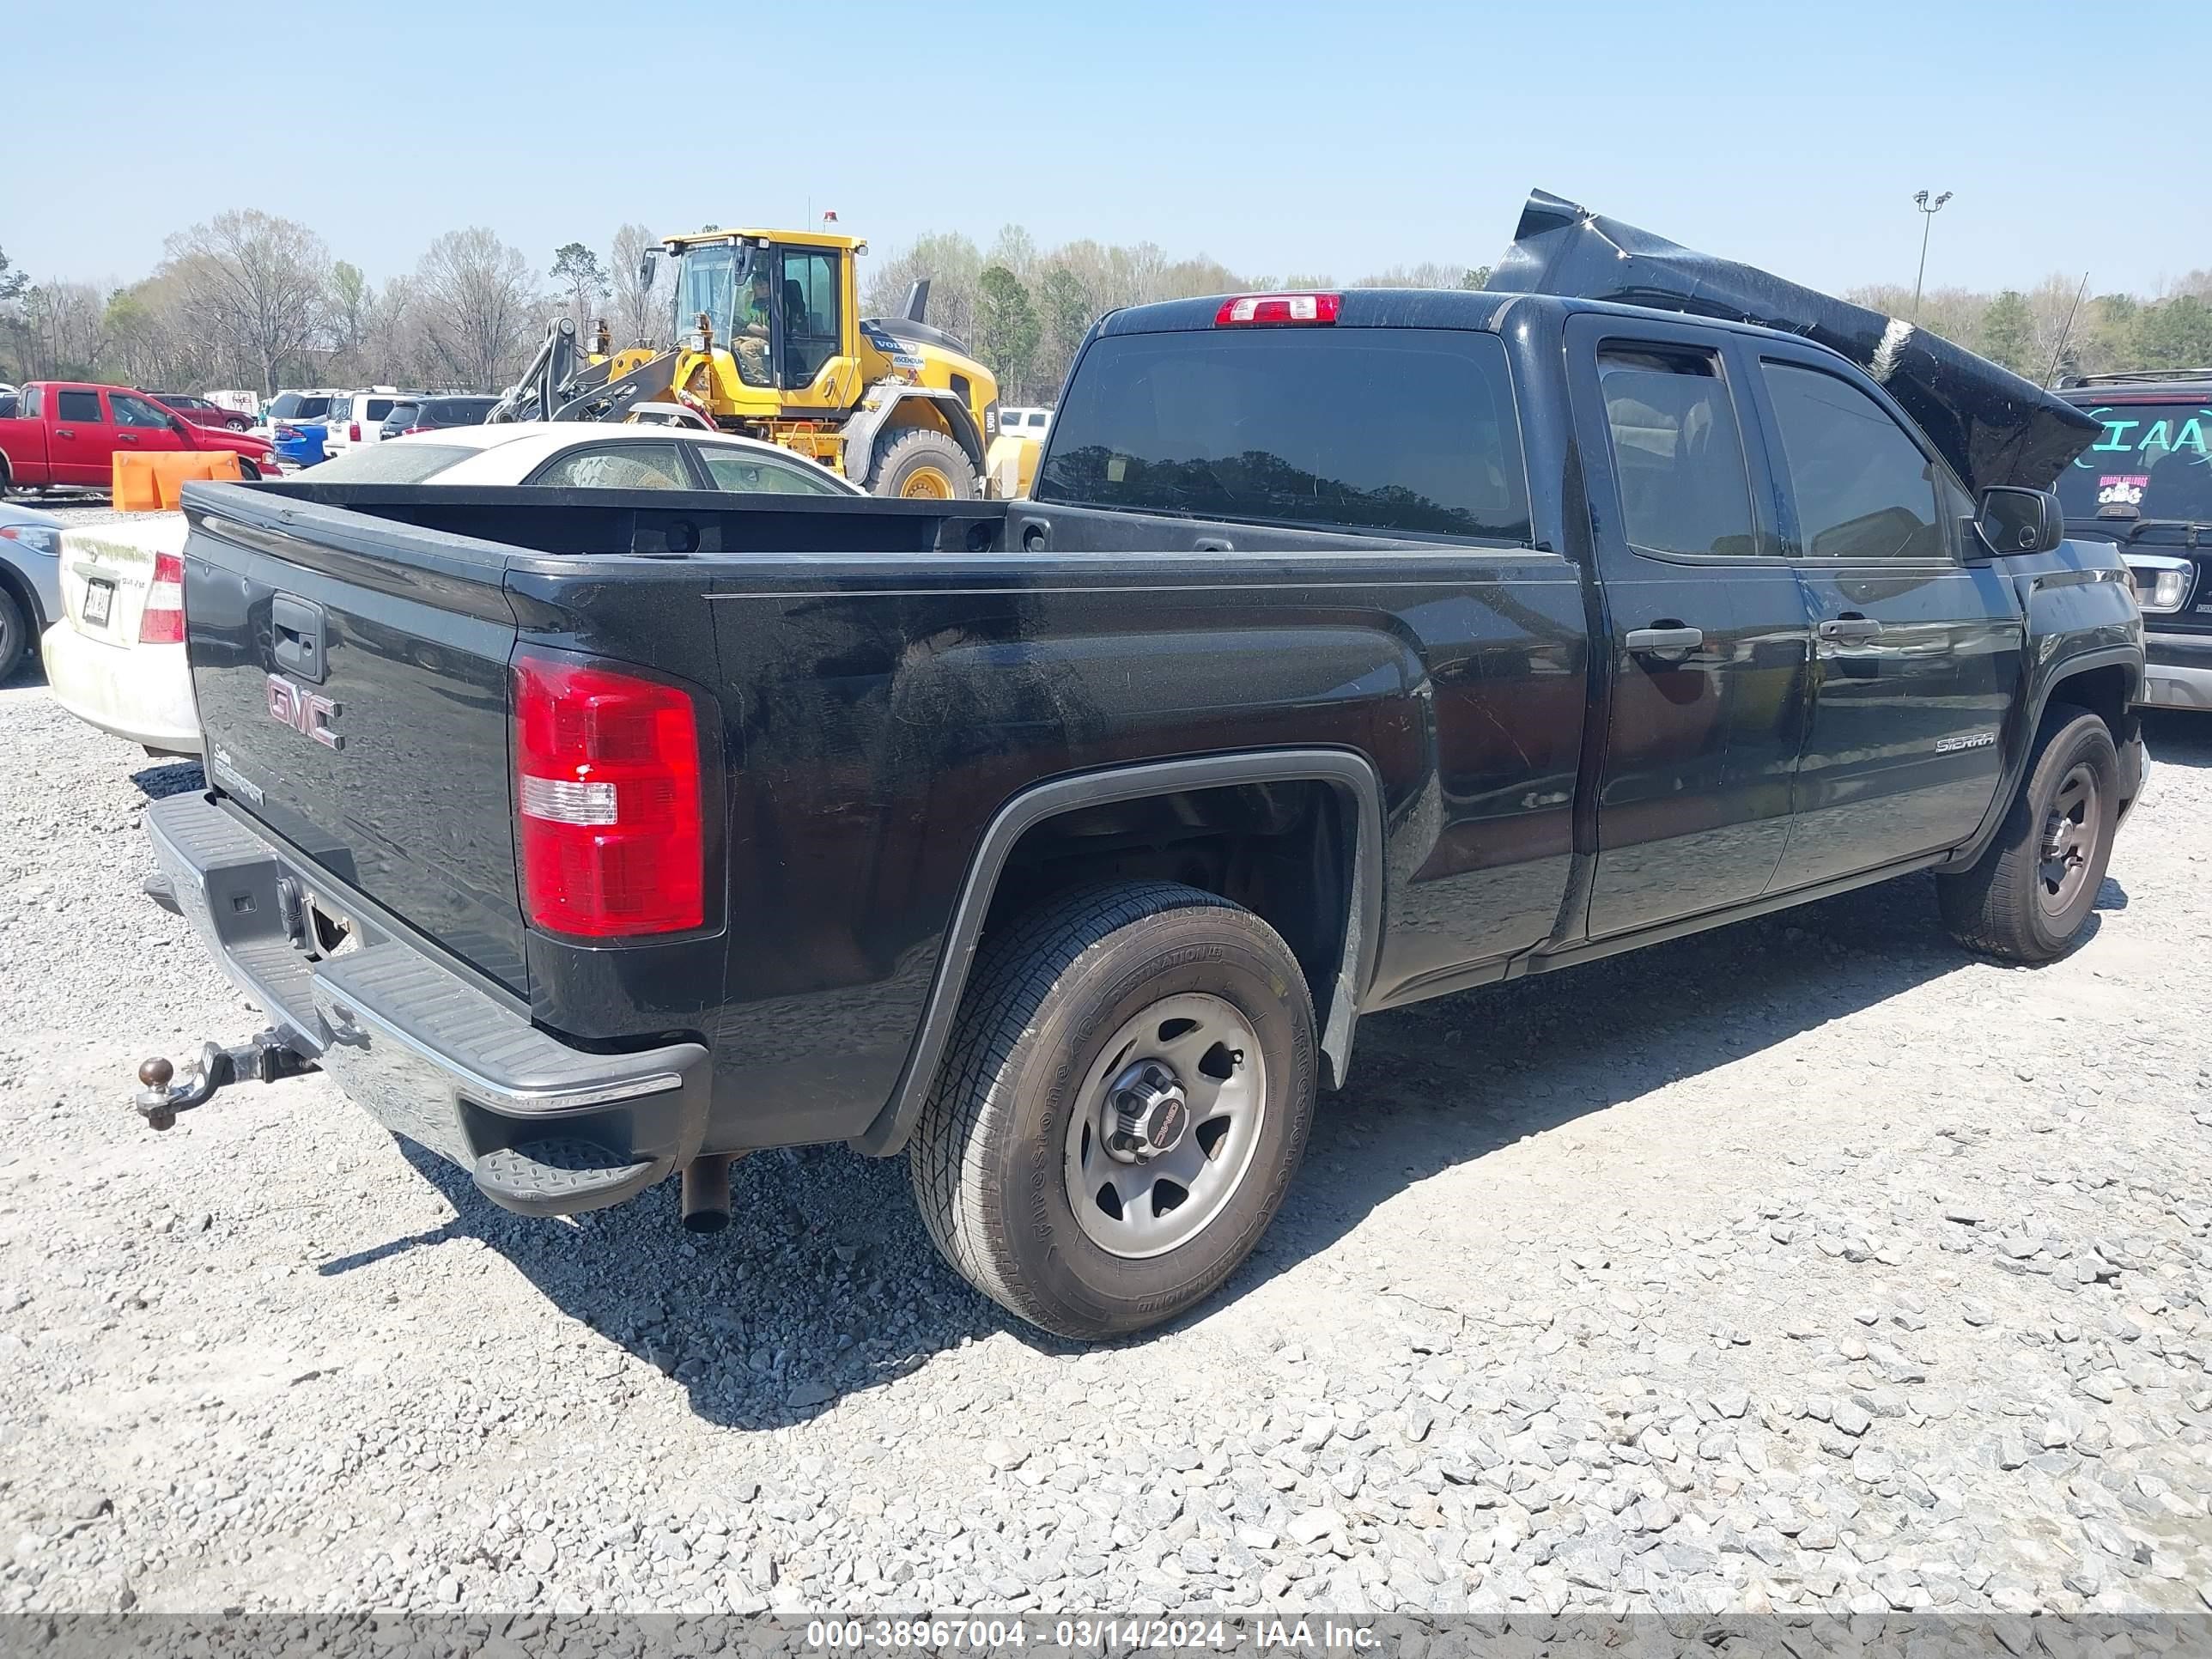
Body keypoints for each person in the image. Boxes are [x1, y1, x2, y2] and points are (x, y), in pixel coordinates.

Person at [734, 270, 774, 386]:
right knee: (725, 347)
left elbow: (768, 332)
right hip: (750, 337)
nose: (765, 290)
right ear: (754, 288)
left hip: (771, 342)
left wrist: (746, 325)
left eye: (767, 286)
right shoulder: (750, 304)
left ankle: (761, 381)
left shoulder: (777, 305)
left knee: (747, 348)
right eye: (761, 287)